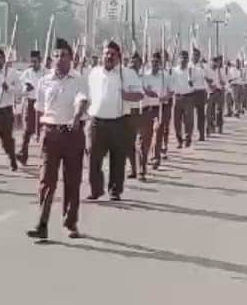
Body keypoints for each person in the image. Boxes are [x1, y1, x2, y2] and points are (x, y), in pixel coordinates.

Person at [26, 40, 88, 241]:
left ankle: (70, 222)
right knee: (46, 181)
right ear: (52, 58)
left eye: (64, 55)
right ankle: (42, 223)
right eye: (56, 55)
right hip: (50, 134)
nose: (60, 59)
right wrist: (37, 132)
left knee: (72, 181)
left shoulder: (79, 79)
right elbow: (39, 109)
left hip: (72, 134)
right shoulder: (45, 81)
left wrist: (76, 118)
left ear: (71, 58)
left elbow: (82, 100)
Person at [86, 41, 145, 202]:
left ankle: (115, 190)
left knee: (118, 159)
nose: (109, 56)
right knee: (93, 157)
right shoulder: (94, 73)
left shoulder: (127, 74)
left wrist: (127, 96)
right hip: (97, 121)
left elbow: (140, 95)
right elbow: (87, 95)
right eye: (106, 53)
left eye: (113, 54)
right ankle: (96, 189)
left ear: (119, 56)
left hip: (119, 122)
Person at [125, 52, 154, 181]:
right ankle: (133, 168)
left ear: (140, 64)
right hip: (130, 113)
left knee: (143, 143)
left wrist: (143, 89)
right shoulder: (124, 78)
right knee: (129, 142)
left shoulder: (146, 77)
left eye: (136, 62)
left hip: (144, 112)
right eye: (131, 62)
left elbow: (153, 93)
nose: (133, 64)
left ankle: (142, 170)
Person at [17, 50, 45, 165]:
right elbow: (20, 89)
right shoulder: (27, 73)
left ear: (40, 61)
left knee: (43, 131)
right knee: (27, 131)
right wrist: (26, 89)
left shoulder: (46, 73)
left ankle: (45, 156)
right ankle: (23, 155)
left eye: (35, 61)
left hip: (41, 105)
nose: (33, 64)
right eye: (31, 61)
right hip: (29, 103)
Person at [169, 50, 196, 148]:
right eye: (182, 58)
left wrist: (192, 84)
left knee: (189, 120)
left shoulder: (191, 70)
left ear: (188, 59)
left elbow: (197, 84)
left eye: (185, 58)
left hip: (188, 97)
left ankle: (188, 137)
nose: (183, 60)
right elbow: (170, 83)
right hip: (177, 98)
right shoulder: (173, 70)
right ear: (178, 59)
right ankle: (179, 140)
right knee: (176, 121)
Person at [189, 48, 210, 141]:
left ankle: (201, 134)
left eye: (197, 55)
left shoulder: (202, 67)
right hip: (190, 93)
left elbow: (207, 79)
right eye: (194, 55)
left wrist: (207, 92)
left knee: (201, 115)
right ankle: (188, 134)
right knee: (189, 115)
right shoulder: (188, 66)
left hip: (200, 92)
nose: (195, 57)